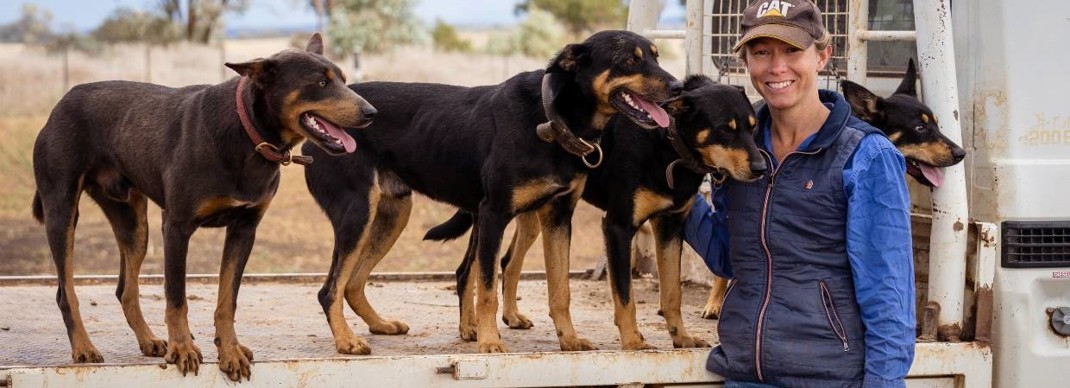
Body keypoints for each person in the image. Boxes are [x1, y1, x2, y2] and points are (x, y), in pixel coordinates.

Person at [683, 1, 915, 387]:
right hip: (746, 376)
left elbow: (888, 292)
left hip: (829, 378)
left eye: (792, 51)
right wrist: (678, 192)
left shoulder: (866, 155)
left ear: (822, 56)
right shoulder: (741, 152)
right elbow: (729, 260)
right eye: (761, 53)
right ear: (746, 62)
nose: (777, 67)